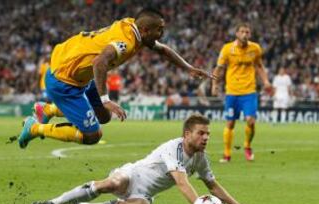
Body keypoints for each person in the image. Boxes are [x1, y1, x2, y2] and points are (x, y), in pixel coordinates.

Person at [18, 8, 214, 149]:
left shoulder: (133, 27)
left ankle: (47, 109)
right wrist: (106, 100)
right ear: (145, 30)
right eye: (159, 30)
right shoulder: (126, 43)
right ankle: (35, 128)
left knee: (104, 116)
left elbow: (162, 49)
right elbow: (99, 63)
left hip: (78, 70)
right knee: (93, 135)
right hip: (64, 80)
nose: (161, 34)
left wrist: (188, 68)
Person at [30, 114, 254, 204]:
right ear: (187, 134)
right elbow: (182, 183)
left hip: (144, 193)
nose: (206, 138)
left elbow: (213, 186)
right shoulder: (174, 148)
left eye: (208, 134)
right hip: (132, 175)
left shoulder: (200, 158)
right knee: (115, 182)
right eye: (201, 133)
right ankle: (53, 203)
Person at [211, 23, 272, 163]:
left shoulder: (255, 48)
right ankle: (227, 154)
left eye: (247, 32)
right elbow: (219, 68)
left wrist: (266, 81)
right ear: (237, 33)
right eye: (242, 32)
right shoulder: (227, 49)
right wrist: (214, 84)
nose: (245, 34)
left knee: (250, 121)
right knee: (230, 123)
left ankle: (247, 146)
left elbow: (259, 66)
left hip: (249, 91)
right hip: (232, 92)